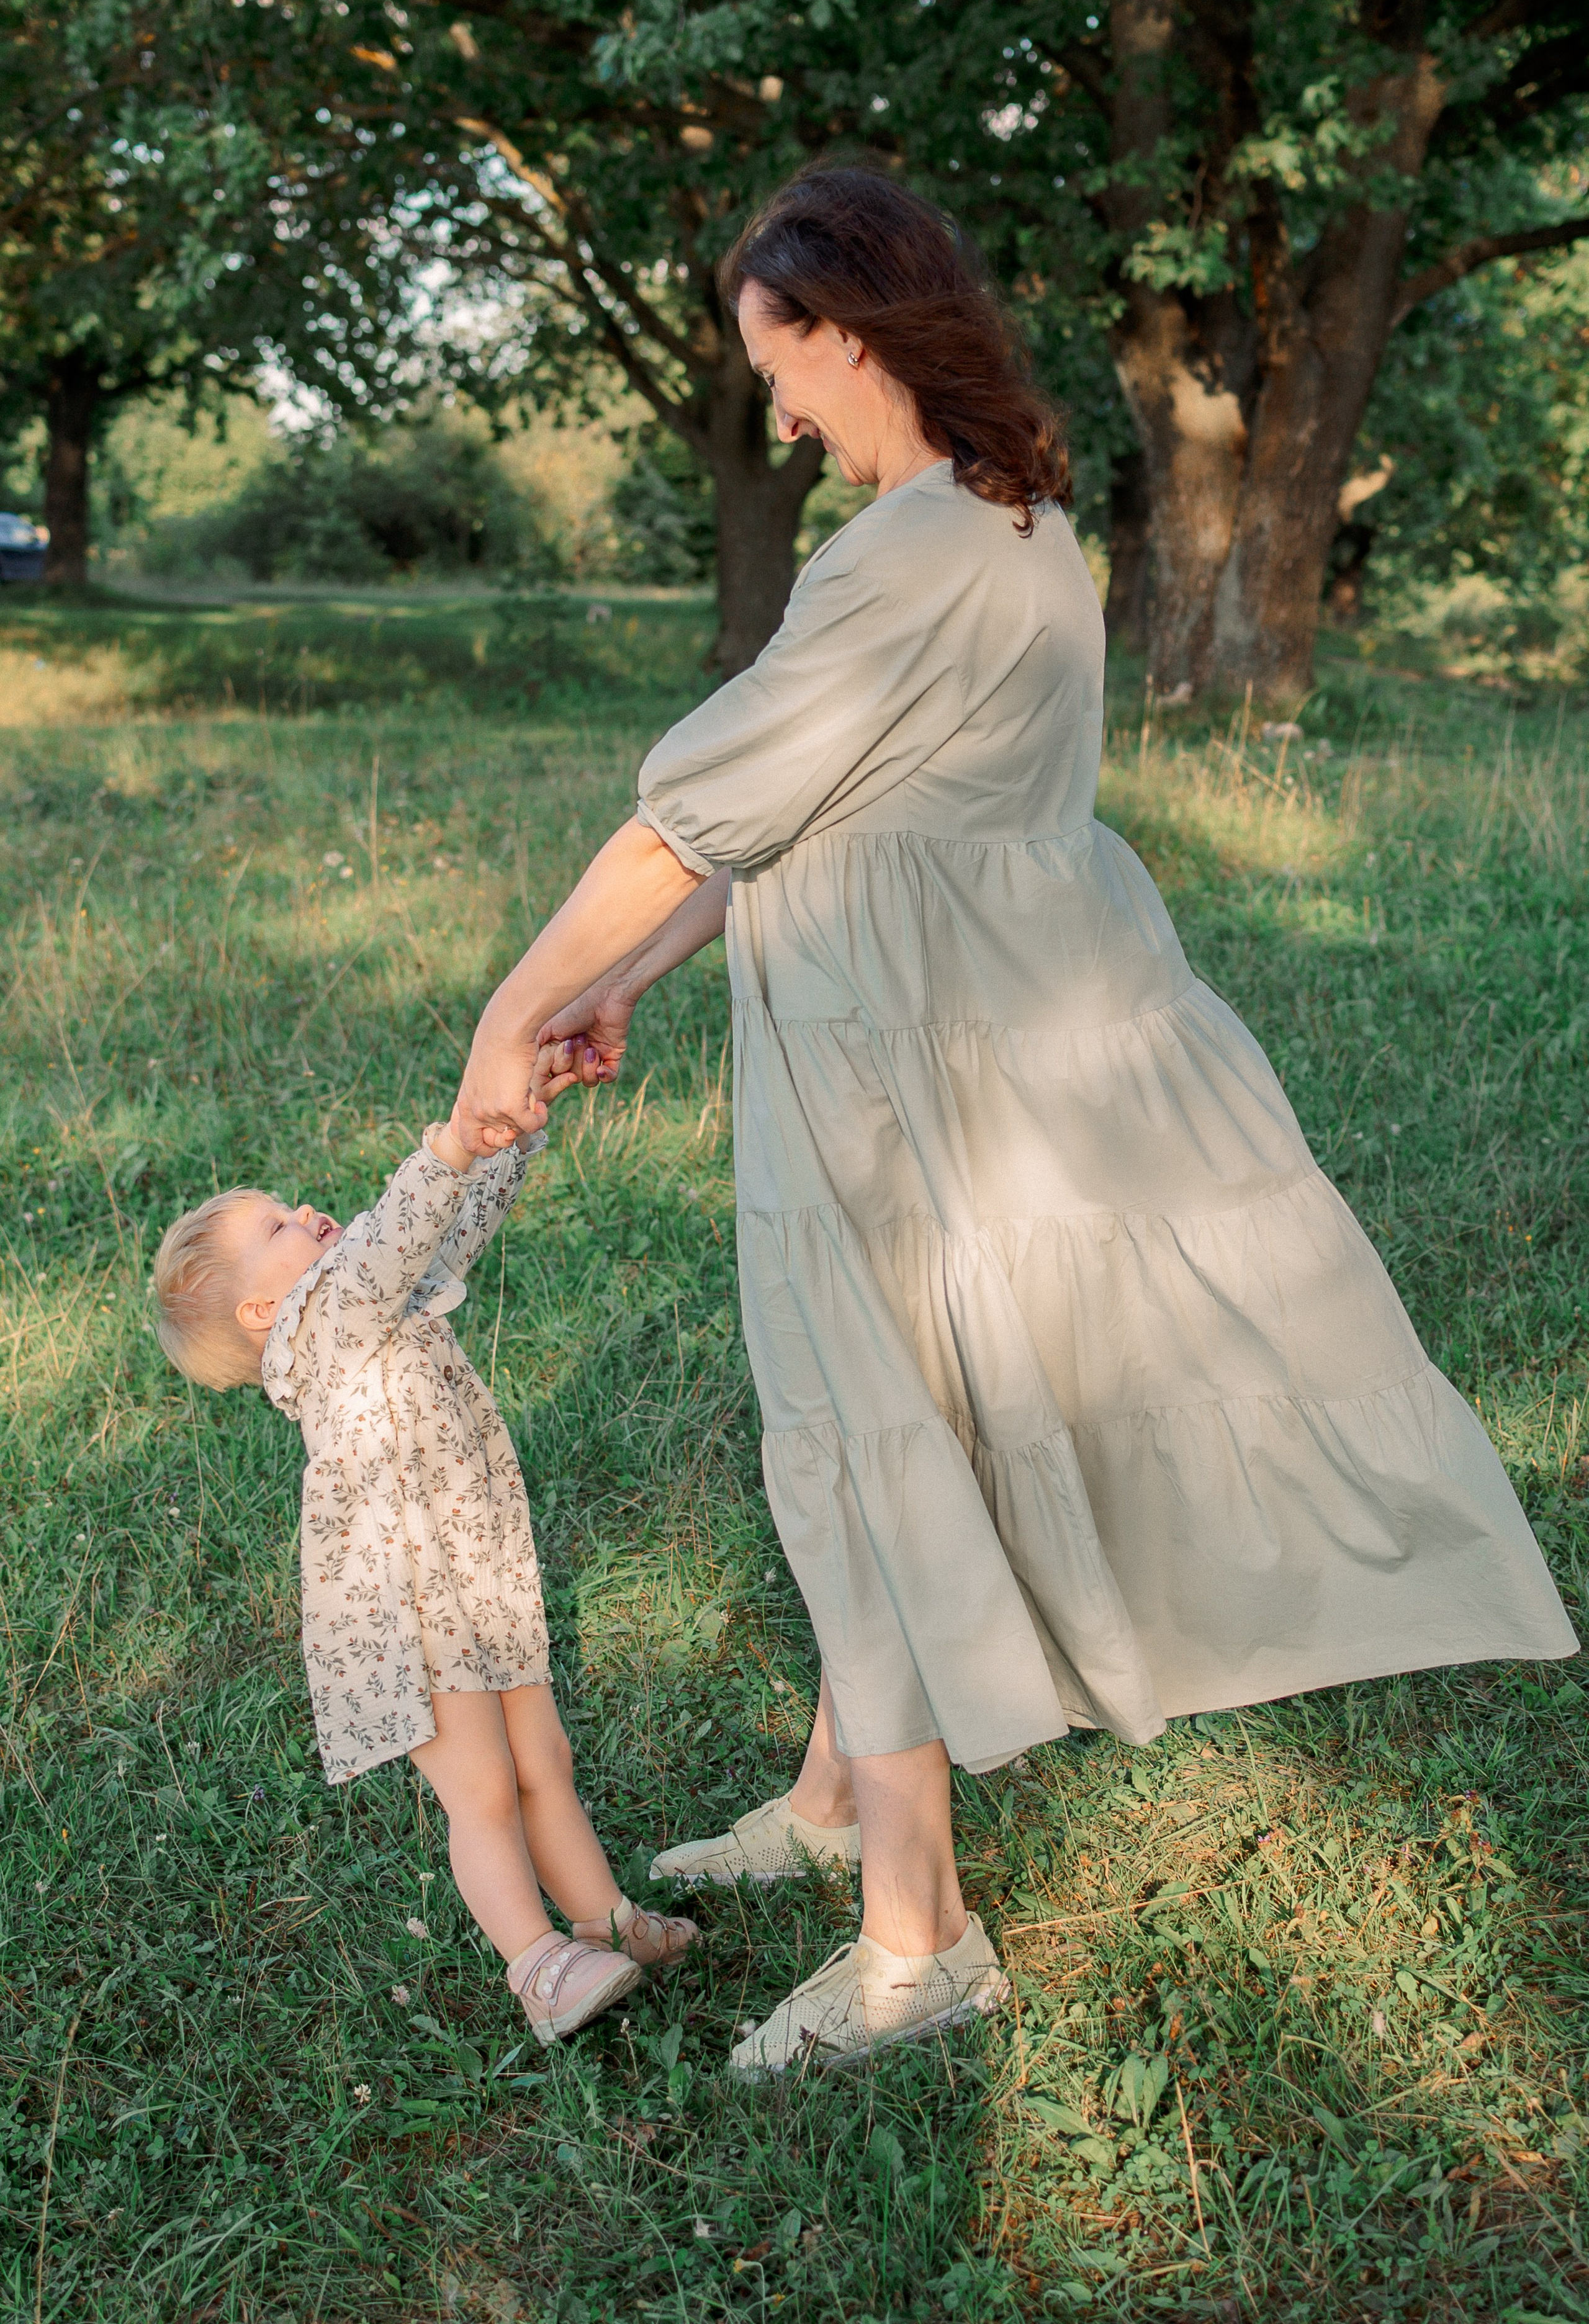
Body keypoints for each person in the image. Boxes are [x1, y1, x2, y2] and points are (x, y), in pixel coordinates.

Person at [452, 163, 1575, 2078]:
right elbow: (823, 805)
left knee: (869, 1429)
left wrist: (511, 1013)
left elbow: (691, 812)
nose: (775, 414)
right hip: (974, 1047)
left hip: (905, 1071)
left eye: (777, 364)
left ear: (853, 328)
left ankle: (920, 1940)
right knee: (874, 1413)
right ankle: (829, 1800)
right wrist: (630, 980)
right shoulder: (1019, 523)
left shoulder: (901, 556)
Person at [151, 1100, 698, 2047]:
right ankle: (537, 1966)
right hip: (404, 1605)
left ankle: (606, 1920)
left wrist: (505, 1142)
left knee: (543, 1762)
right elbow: (398, 1231)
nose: (310, 1213)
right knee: (480, 1786)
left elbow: (444, 1227)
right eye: (280, 1226)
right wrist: (447, 1146)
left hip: (476, 1570)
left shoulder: (370, 1290)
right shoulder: (320, 1324)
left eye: (292, 1206)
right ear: (260, 1313)